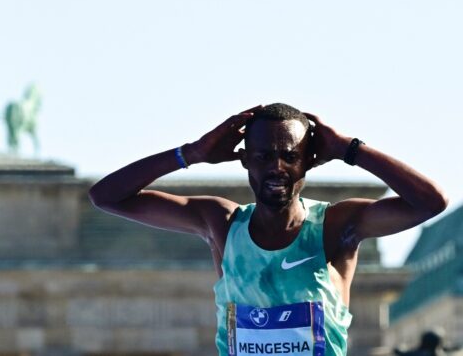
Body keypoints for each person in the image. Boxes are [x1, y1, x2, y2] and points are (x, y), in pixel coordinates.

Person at [88, 103, 448, 356]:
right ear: (245, 159)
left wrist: (347, 149)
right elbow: (106, 196)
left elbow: (430, 202)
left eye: (290, 156)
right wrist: (192, 153)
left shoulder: (336, 227)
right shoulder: (222, 224)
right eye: (263, 156)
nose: (276, 167)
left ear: (309, 161)